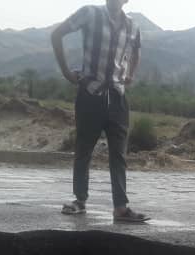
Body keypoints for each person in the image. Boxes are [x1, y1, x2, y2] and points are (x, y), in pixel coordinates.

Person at [51, 0, 149, 223]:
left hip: (117, 97)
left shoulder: (133, 26)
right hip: (90, 94)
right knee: (84, 150)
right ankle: (80, 201)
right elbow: (56, 34)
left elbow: (136, 51)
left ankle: (121, 209)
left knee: (119, 155)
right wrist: (66, 72)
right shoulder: (89, 13)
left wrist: (131, 73)